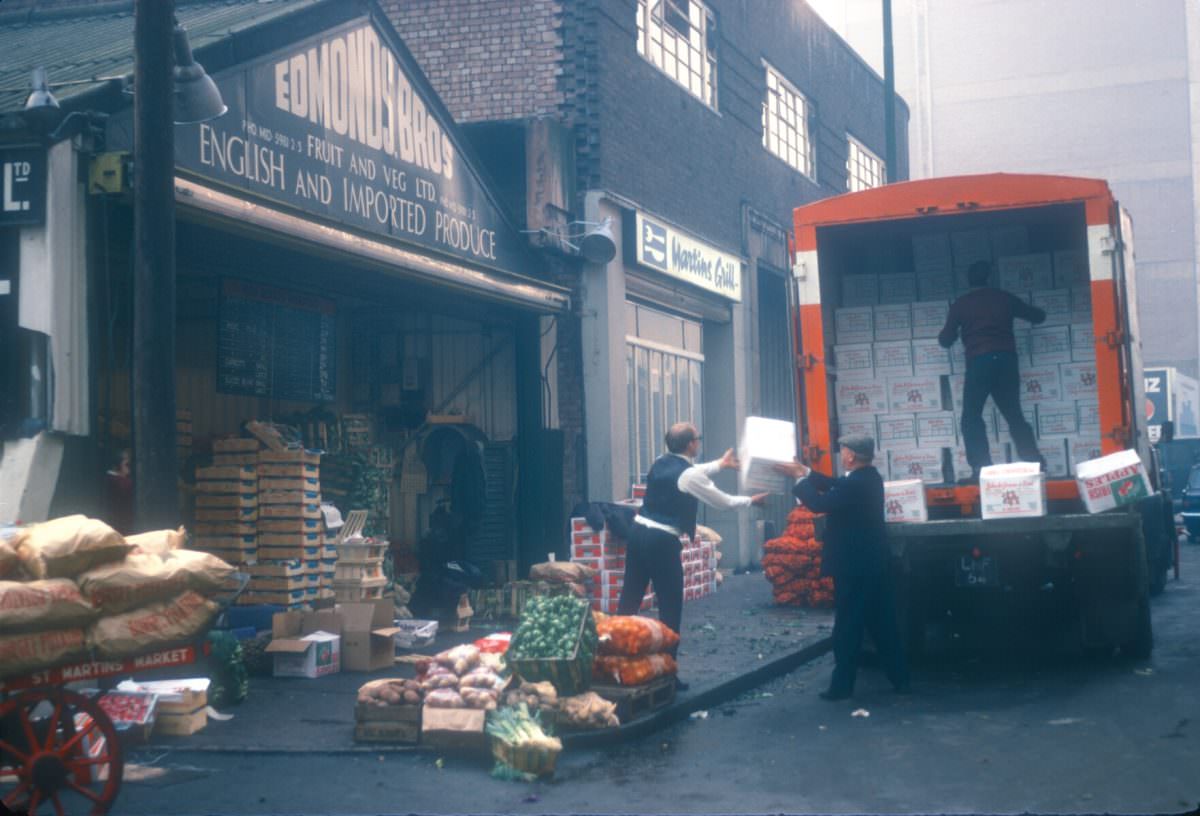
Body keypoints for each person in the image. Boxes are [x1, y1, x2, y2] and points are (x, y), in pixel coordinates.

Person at [617, 422, 767, 689]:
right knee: (670, 606)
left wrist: (720, 464)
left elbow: (691, 472)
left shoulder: (660, 462)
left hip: (637, 532)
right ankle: (667, 674)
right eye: (698, 438)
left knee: (629, 600)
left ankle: (615, 663)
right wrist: (750, 501)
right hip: (661, 541)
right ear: (690, 445)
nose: (699, 442)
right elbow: (720, 501)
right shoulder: (687, 475)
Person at [776, 435, 909, 701]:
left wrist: (799, 480)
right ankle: (900, 679)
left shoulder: (856, 484)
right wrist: (807, 472)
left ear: (850, 456)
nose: (841, 455)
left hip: (854, 566)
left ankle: (842, 687)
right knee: (882, 623)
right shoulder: (869, 478)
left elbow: (819, 504)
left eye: (843, 451)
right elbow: (834, 484)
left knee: (848, 626)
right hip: (872, 563)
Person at [938, 259, 1047, 482]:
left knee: (971, 416)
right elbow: (1038, 316)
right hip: (1007, 361)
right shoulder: (1003, 298)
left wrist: (959, 332)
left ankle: (981, 468)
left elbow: (945, 340)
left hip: (980, 362)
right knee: (1013, 413)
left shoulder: (961, 304)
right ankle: (1034, 462)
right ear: (989, 278)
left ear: (969, 280)